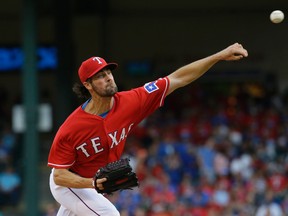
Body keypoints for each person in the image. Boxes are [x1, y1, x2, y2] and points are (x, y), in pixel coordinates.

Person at [47, 42, 248, 216]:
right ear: (88, 85)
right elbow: (59, 175)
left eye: (108, 72)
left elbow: (177, 78)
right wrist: (93, 183)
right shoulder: (72, 128)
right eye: (100, 76)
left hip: (89, 183)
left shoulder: (130, 102)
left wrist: (219, 55)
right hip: (69, 184)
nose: (108, 78)